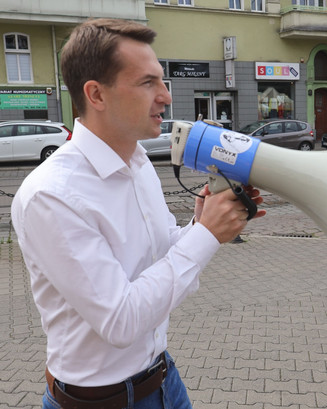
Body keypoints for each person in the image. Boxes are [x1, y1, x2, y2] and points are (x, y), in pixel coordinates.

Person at [11, 18, 265, 409]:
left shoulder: (139, 162)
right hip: (99, 402)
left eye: (162, 81)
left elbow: (160, 261)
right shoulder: (50, 195)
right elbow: (121, 321)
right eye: (148, 83)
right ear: (96, 94)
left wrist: (202, 223)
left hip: (163, 380)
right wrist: (206, 235)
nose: (166, 96)